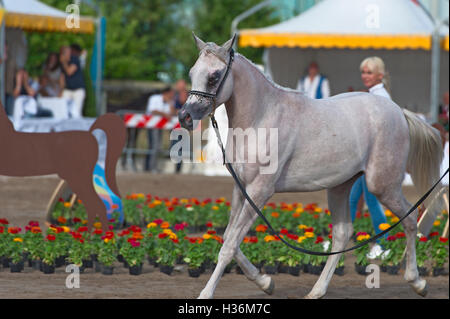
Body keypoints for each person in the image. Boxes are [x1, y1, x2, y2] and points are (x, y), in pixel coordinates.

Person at [349, 56, 390, 259]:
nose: (365, 76)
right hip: (365, 158)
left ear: (380, 75)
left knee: (372, 201)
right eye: (364, 72)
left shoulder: (380, 96)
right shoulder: (374, 94)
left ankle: (384, 243)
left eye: (369, 72)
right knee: (352, 199)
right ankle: (340, 237)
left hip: (372, 159)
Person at [145, 86, 176, 172]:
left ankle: (153, 167)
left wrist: (169, 102)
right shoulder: (154, 98)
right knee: (153, 146)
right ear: (167, 93)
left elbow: (172, 113)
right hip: (152, 126)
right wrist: (165, 114)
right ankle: (150, 167)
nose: (173, 95)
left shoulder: (170, 101)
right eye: (172, 93)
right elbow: (153, 110)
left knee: (158, 146)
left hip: (160, 127)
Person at [60, 44, 86, 118]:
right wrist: (61, 91)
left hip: (78, 90)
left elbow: (69, 72)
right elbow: (62, 77)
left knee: (76, 112)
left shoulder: (74, 59)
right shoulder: (62, 63)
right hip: (68, 90)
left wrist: (64, 62)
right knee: (64, 111)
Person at [172, 79, 189, 173]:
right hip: (176, 124)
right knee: (176, 146)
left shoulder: (185, 94)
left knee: (179, 147)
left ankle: (178, 168)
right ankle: (177, 167)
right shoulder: (176, 95)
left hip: (183, 125)